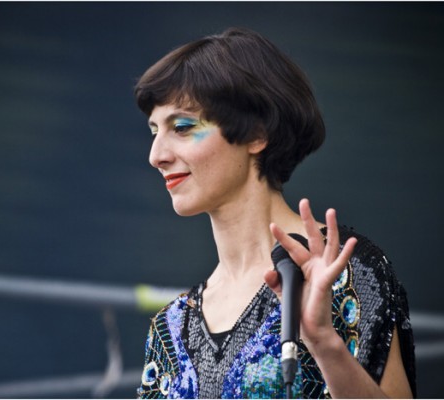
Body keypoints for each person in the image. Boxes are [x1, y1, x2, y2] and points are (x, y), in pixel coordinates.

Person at [134, 27, 416, 399]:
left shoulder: (344, 268)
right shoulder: (170, 327)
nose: (156, 156)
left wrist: (325, 345)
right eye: (154, 131)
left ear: (256, 133)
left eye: (183, 127)